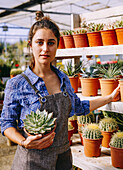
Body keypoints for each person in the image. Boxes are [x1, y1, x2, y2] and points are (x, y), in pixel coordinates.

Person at [1, 11, 120, 170]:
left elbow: (78, 107)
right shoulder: (17, 84)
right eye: (39, 42)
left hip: (62, 160)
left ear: (57, 44)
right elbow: (6, 124)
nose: (45, 49)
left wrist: (109, 97)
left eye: (51, 43)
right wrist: (23, 142)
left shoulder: (63, 78)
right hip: (32, 162)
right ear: (30, 45)